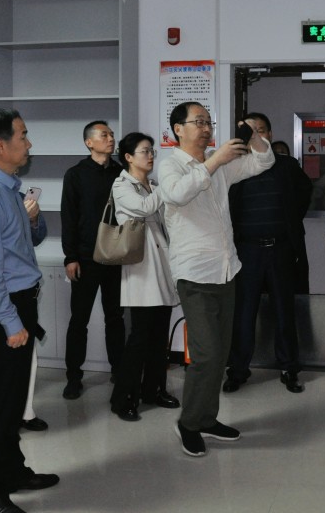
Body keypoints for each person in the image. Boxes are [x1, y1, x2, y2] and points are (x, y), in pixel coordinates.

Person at [158, 101, 274, 457]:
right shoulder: (170, 164)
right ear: (178, 129)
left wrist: (254, 136)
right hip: (194, 274)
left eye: (209, 121)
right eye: (199, 122)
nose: (206, 128)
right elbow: (177, 194)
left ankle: (206, 418)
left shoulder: (218, 164)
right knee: (206, 354)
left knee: (220, 353)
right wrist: (215, 161)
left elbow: (262, 162)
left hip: (226, 270)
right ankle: (188, 423)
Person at [0, 108, 59, 513]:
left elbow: (22, 245)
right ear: (0, 146)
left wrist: (32, 221)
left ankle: (13, 472)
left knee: (12, 401)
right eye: (22, 135)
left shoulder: (8, 187)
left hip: (17, 304)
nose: (29, 143)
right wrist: (9, 322)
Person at [224, 112, 312, 394]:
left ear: (270, 135)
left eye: (260, 130)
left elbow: (304, 194)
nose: (255, 136)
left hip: (280, 250)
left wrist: (288, 223)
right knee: (243, 313)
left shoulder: (287, 165)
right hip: (246, 251)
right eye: (249, 131)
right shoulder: (235, 166)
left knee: (284, 311)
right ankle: (238, 370)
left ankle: (289, 368)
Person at [109, 132, 181, 421]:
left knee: (159, 337)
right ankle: (123, 398)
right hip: (140, 270)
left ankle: (154, 390)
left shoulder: (152, 186)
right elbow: (143, 208)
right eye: (144, 151)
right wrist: (166, 188)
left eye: (152, 151)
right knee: (139, 338)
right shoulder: (121, 185)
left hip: (161, 266)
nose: (150, 156)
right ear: (128, 157)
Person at [60, 120, 125, 399]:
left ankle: (119, 371)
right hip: (85, 258)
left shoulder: (121, 173)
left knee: (116, 318)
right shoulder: (75, 174)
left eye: (111, 134)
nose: (110, 138)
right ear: (89, 142)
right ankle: (74, 377)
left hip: (116, 257)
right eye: (104, 135)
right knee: (79, 320)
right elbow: (68, 217)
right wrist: (70, 257)